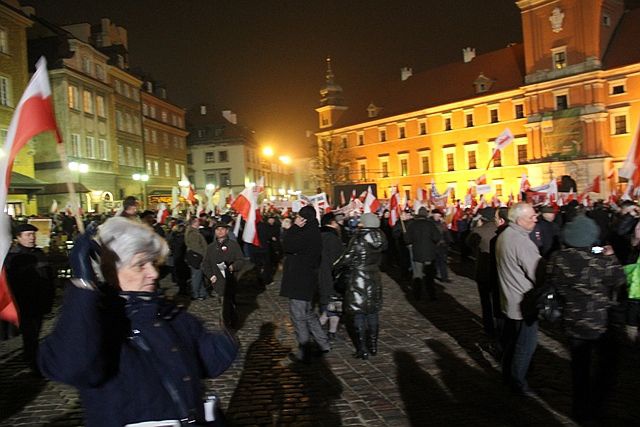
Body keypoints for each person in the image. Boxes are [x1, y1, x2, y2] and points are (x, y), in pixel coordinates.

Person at [38, 217, 238, 426]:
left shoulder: (168, 313)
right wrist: (83, 287)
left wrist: (226, 338)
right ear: (108, 271)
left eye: (152, 263)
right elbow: (71, 366)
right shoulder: (100, 325)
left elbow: (206, 362)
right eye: (140, 265)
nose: (153, 273)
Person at [546, 214, 626, 424]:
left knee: (579, 368)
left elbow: (556, 277)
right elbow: (618, 279)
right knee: (606, 366)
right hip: (599, 322)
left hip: (572, 320)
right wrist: (610, 256)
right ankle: (597, 407)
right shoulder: (600, 260)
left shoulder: (558, 258)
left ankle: (580, 408)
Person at [496, 202, 541, 396]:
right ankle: (518, 382)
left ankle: (507, 375)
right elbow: (537, 273)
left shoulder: (505, 235)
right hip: (524, 301)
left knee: (514, 341)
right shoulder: (521, 241)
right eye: (532, 217)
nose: (535, 219)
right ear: (520, 220)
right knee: (525, 345)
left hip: (510, 297)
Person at [279, 205, 330, 362]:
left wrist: (293, 228)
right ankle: (324, 344)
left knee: (298, 316)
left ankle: (304, 351)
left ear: (303, 219)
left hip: (299, 280)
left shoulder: (305, 232)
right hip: (307, 279)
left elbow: (287, 245)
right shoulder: (314, 231)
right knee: (309, 314)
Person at [334, 213, 387, 360]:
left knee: (359, 313)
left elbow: (347, 257)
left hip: (359, 277)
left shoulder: (359, 237)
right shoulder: (381, 237)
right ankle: (374, 346)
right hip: (374, 276)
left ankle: (363, 349)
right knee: (372, 312)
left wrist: (335, 267)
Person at [5, 223, 55, 373]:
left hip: (40, 300)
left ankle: (31, 357)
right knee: (30, 333)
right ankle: (33, 362)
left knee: (35, 331)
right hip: (25, 301)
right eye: (28, 235)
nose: (32, 238)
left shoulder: (39, 253)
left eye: (33, 235)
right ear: (18, 237)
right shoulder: (13, 257)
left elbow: (48, 276)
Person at [201, 222, 246, 330]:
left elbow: (241, 260)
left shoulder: (233, 245)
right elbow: (205, 263)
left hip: (231, 280)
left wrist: (232, 267)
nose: (220, 231)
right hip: (218, 282)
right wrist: (211, 276)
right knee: (223, 304)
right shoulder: (211, 247)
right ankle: (227, 325)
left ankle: (230, 324)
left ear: (227, 231)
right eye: (217, 229)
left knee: (229, 304)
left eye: (222, 229)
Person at [466, 207, 498, 337]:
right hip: (499, 271)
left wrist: (475, 226)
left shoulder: (479, 231)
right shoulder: (500, 230)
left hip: (484, 271)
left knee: (486, 303)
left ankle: (489, 328)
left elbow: (468, 243)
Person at [404, 207, 441, 300]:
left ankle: (417, 295)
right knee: (429, 275)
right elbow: (437, 237)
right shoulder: (430, 225)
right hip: (429, 253)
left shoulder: (412, 225)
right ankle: (431, 295)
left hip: (417, 253)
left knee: (417, 275)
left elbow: (407, 239)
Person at [318, 213, 345, 340]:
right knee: (334, 302)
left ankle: (331, 331)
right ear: (333, 223)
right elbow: (337, 260)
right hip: (331, 275)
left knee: (330, 302)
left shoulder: (317, 236)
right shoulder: (333, 238)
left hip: (320, 275)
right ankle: (320, 328)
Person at [185, 216, 208, 300]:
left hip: (196, 257)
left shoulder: (193, 232)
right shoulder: (193, 233)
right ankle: (195, 294)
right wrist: (204, 255)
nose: (199, 222)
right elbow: (197, 248)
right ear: (194, 223)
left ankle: (202, 293)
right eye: (198, 221)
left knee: (199, 275)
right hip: (197, 258)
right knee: (196, 276)